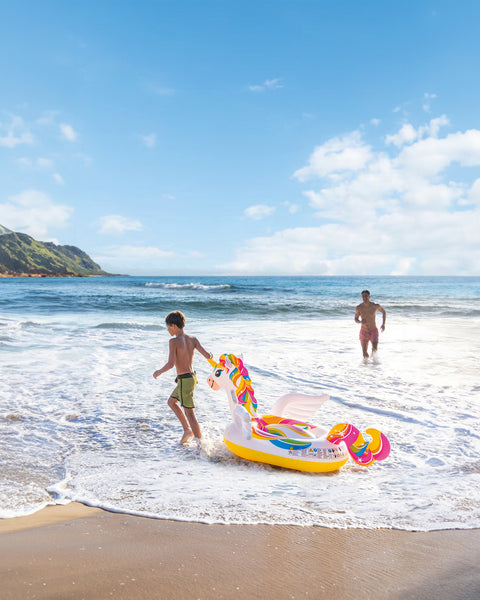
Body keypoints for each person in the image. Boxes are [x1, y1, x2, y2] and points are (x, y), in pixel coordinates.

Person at [153, 310, 213, 444]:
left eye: (168, 327)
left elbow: (171, 364)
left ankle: (200, 444)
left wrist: (159, 372)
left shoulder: (173, 341)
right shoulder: (193, 339)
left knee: (189, 412)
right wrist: (211, 356)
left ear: (173, 325)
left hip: (184, 379)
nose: (168, 330)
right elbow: (207, 355)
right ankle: (187, 430)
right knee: (171, 402)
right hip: (191, 378)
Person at [354, 290, 386, 359]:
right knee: (364, 353)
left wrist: (383, 324)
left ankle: (374, 365)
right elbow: (355, 319)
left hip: (373, 330)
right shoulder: (359, 307)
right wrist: (360, 322)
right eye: (363, 296)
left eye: (366, 296)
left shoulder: (374, 306)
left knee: (374, 349)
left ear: (369, 296)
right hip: (363, 331)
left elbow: (384, 312)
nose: (364, 298)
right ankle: (366, 367)